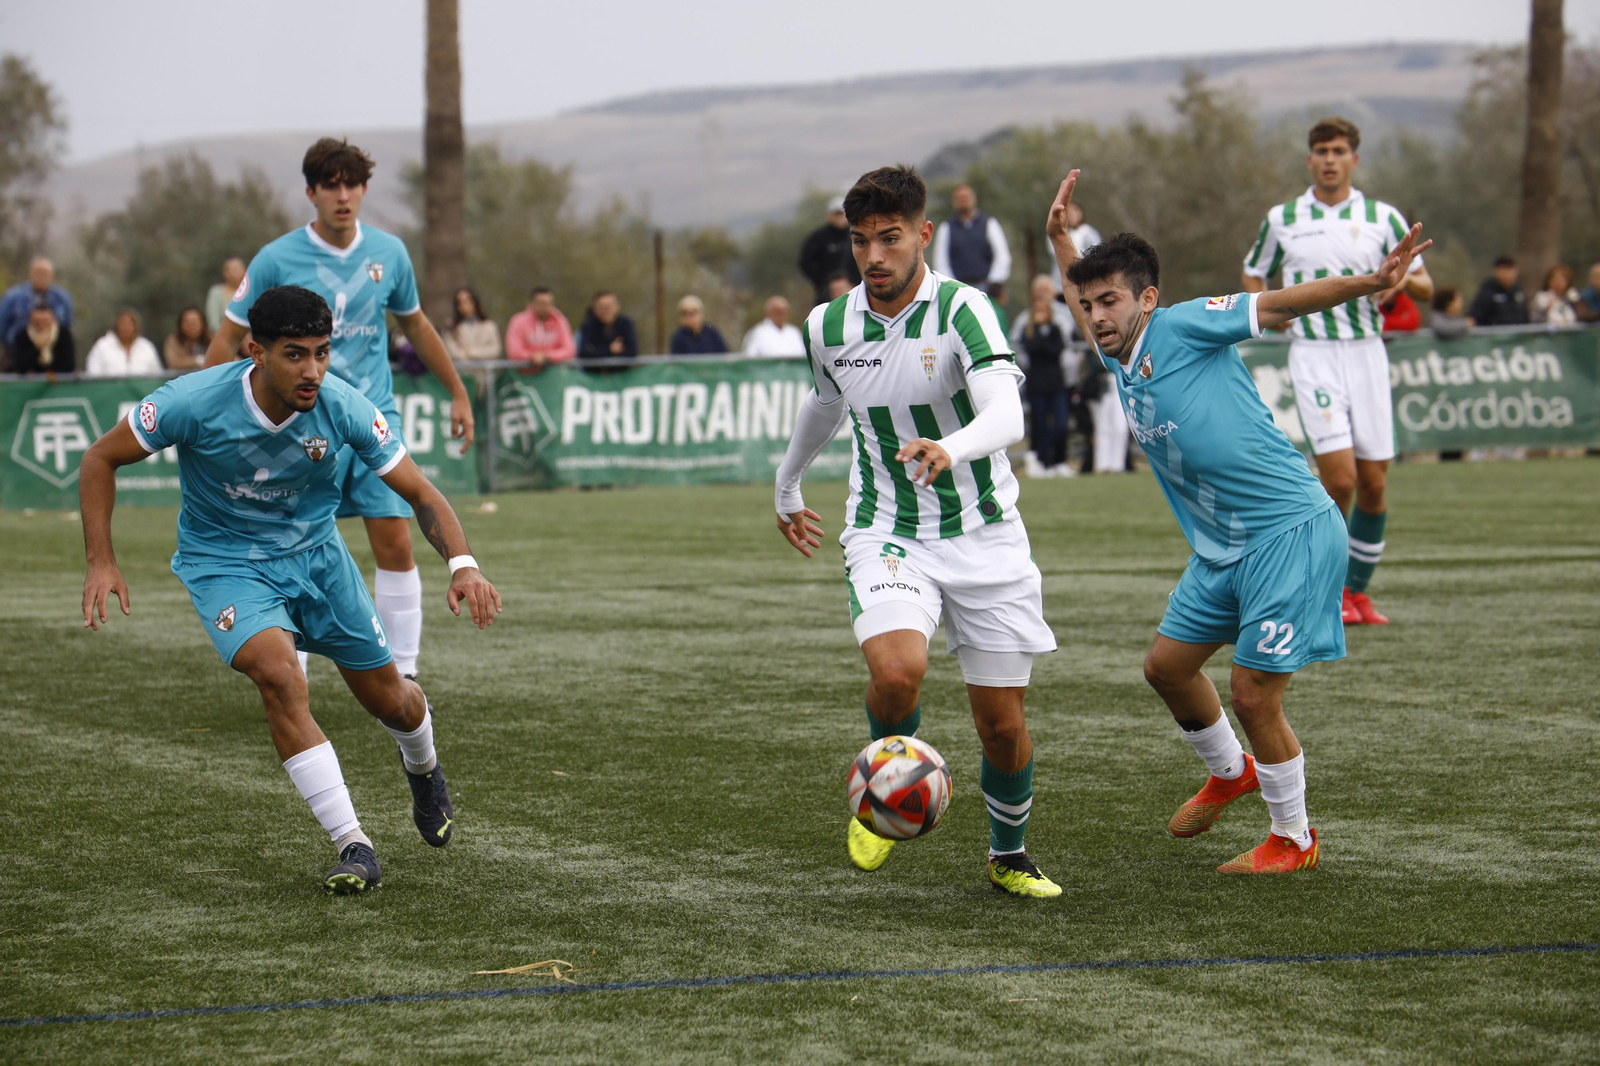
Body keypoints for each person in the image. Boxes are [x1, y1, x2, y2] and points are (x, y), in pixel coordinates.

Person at [1049, 169, 1431, 874]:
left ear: (1148, 300)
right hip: (1223, 549)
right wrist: (1061, 239)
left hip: (1289, 530)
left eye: (1110, 301)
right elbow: (1086, 306)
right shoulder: (1122, 355)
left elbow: (1280, 302)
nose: (1097, 315)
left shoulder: (1186, 324)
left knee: (1254, 695)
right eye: (1088, 303)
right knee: (1166, 668)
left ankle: (1295, 839)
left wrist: (1370, 284)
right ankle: (1231, 773)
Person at [79, 285, 501, 894]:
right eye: (295, 354)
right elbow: (99, 459)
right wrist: (101, 560)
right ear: (255, 350)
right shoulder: (192, 402)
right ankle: (354, 844)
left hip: (317, 560)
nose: (313, 371)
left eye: (323, 353)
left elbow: (421, 493)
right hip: (224, 563)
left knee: (393, 701)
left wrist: (463, 563)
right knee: (279, 674)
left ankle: (424, 768)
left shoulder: (345, 407)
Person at [774, 165, 1061, 899]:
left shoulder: (965, 310)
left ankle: (1008, 854)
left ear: (923, 235)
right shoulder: (826, 326)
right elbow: (824, 405)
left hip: (985, 531)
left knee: (1000, 724)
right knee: (898, 674)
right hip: (887, 528)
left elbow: (1008, 415)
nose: (874, 256)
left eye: (891, 239)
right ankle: (883, 777)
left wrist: (951, 446)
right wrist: (788, 482)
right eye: (862, 241)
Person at [203, 138, 476, 685]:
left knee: (395, 539)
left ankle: (405, 675)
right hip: (295, 429)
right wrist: (212, 413)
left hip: (371, 417)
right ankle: (290, 668)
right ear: (311, 193)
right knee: (287, 543)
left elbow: (416, 326)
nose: (343, 194)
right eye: (331, 184)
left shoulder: (390, 254)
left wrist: (458, 391)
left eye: (352, 183)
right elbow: (230, 336)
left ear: (364, 190)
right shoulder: (277, 258)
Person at [1241, 117, 1433, 627]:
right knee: (1341, 479)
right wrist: (1266, 310)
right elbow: (1254, 268)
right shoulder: (1283, 217)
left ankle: (1357, 595)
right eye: (1321, 150)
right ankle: (1323, 589)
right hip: (1314, 354)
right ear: (1310, 160)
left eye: (1339, 150)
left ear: (1354, 159)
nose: (1330, 159)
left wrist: (1401, 282)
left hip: (1367, 353)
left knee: (1373, 482)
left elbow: (1426, 286)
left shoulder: (1382, 217)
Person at [1011, 274, 1075, 478]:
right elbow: (1025, 348)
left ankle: (1057, 460)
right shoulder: (1025, 322)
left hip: (1058, 380)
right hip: (1036, 382)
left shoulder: (1060, 320)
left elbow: (1059, 348)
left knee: (1061, 423)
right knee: (1039, 423)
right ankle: (1039, 459)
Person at [931, 184, 1012, 303]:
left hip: (986, 288)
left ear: (974, 199)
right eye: (959, 198)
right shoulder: (946, 228)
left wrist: (995, 280)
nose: (963, 201)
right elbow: (941, 260)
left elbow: (1001, 254)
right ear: (953, 202)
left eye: (966, 197)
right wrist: (951, 285)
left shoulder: (989, 223)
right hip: (958, 289)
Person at [1, 257, 73, 350]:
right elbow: (2, 328)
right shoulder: (12, 297)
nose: (41, 277)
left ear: (52, 276)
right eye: (38, 273)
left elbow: (66, 326)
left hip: (53, 353)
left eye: (45, 273)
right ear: (30, 274)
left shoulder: (62, 299)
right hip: (17, 353)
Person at [798, 197, 861, 304]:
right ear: (829, 216)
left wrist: (854, 282)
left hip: (855, 290)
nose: (839, 217)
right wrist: (823, 282)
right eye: (836, 214)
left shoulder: (856, 235)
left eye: (842, 213)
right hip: (826, 294)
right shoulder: (818, 237)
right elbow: (805, 262)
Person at [504, 287, 575, 368]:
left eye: (548, 303)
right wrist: (532, 356)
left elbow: (569, 350)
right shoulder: (518, 321)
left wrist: (547, 356)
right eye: (541, 303)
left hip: (554, 373)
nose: (545, 307)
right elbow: (514, 351)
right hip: (524, 373)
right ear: (531, 304)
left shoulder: (560, 320)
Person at [86, 309, 163, 377]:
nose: (127, 328)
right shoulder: (102, 346)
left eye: (130, 324)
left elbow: (157, 375)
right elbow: (92, 374)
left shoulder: (146, 346)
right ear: (117, 325)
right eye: (123, 324)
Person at [7, 298, 76, 374]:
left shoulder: (64, 334)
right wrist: (36, 347)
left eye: (45, 321)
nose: (41, 326)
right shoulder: (22, 335)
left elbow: (69, 365)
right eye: (37, 322)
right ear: (31, 321)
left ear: (52, 319)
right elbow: (19, 367)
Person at [575, 291, 638, 366]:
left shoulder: (626, 323)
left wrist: (596, 351)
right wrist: (610, 350)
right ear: (595, 309)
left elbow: (632, 352)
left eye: (609, 306)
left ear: (617, 306)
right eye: (601, 307)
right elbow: (584, 354)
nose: (605, 311)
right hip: (594, 375)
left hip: (621, 374)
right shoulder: (588, 325)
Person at [440, 287, 502, 361]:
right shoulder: (450, 328)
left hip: (485, 371)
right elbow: (454, 353)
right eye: (460, 302)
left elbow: (495, 351)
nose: (465, 305)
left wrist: (470, 351)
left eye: (468, 300)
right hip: (462, 371)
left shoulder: (489, 326)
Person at [1466, 256, 1529, 327]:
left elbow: (1525, 318)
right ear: (1496, 271)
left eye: (1511, 270)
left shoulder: (1518, 292)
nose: (1508, 275)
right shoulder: (1487, 292)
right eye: (1505, 270)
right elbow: (1476, 318)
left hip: (1518, 336)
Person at [205, 257, 246, 334]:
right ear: (225, 272)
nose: (235, 272)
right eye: (232, 269)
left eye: (237, 269)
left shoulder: (250, 291)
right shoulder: (216, 292)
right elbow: (213, 323)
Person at [163, 306, 211, 372]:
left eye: (194, 323)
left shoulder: (211, 339)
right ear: (180, 325)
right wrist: (198, 360)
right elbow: (173, 363)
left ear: (203, 324)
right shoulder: (173, 341)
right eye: (187, 323)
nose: (191, 327)